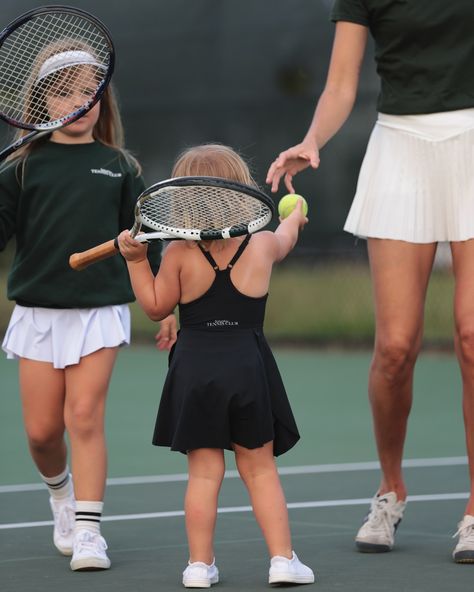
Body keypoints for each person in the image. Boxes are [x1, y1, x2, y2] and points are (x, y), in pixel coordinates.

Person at [265, 0, 474, 562]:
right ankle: (390, 490)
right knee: (395, 348)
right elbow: (340, 85)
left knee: (473, 335)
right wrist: (313, 140)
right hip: (400, 148)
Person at [0, 44, 173, 571]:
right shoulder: (19, 169)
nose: (80, 101)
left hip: (100, 311)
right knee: (41, 432)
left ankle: (90, 532)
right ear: (40, 102)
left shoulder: (121, 168)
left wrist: (165, 305)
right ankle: (61, 496)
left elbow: (150, 241)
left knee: (84, 416)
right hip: (36, 314)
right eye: (66, 91)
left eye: (89, 91)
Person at [117, 143, 315, 587]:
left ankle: (198, 567)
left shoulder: (177, 254)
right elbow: (286, 237)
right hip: (247, 362)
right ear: (241, 192)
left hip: (195, 365)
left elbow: (154, 307)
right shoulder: (262, 244)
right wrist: (295, 215)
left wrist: (135, 262)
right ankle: (282, 560)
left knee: (204, 473)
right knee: (260, 468)